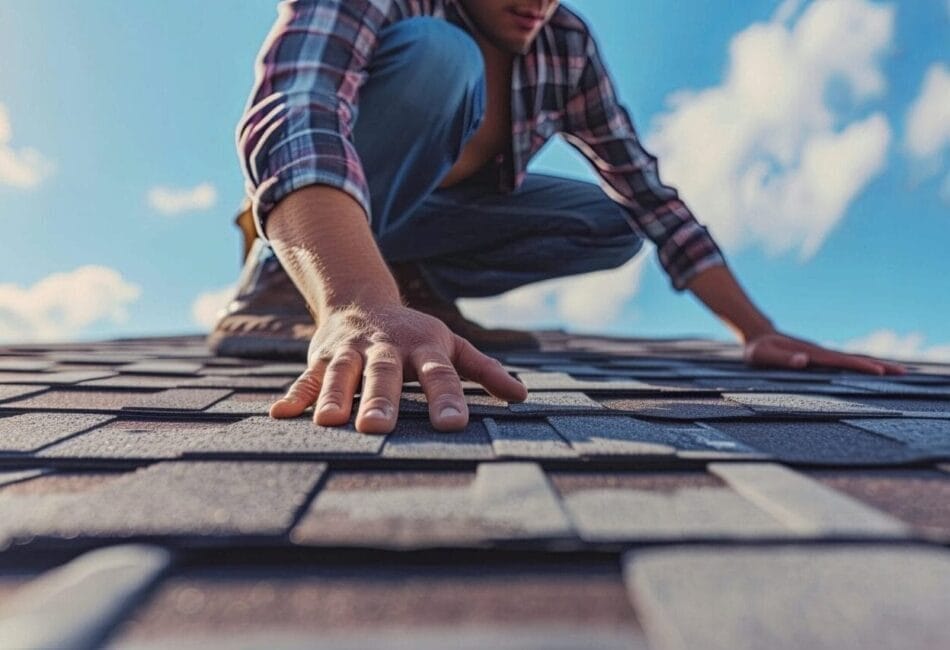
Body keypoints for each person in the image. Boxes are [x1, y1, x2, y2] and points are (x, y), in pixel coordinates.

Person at [212, 0, 904, 435]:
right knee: (441, 58)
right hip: (331, 230)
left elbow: (648, 195)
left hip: (419, 227)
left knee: (614, 222)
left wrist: (757, 330)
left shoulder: (565, 44)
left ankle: (412, 284)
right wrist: (357, 301)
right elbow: (295, 115)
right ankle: (281, 285)